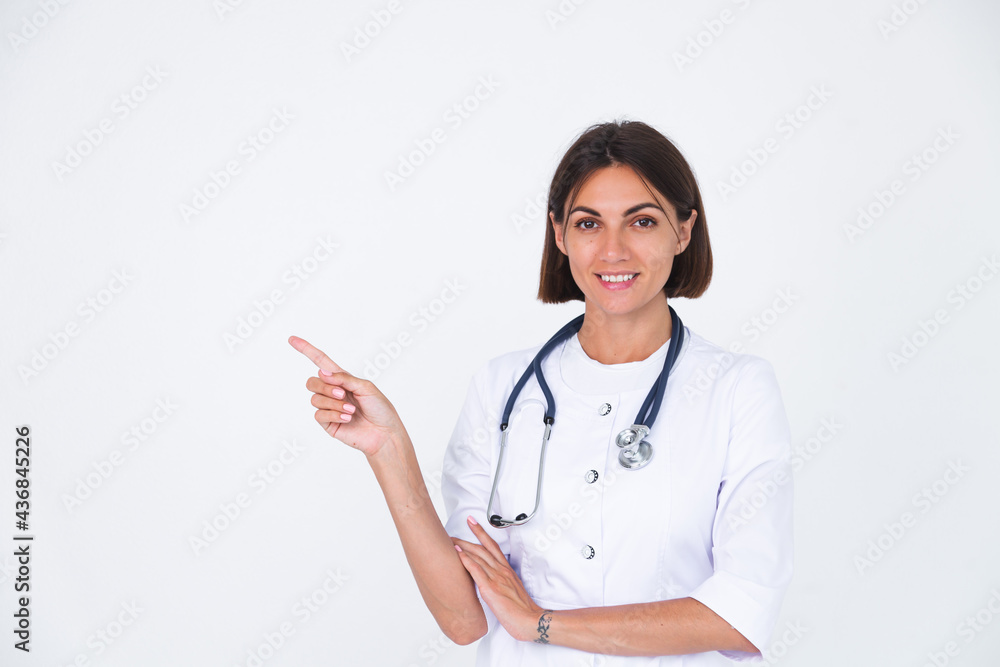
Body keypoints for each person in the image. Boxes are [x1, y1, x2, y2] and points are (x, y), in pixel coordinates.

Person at [289, 119, 793, 665]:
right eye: (588, 223)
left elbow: (738, 617)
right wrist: (390, 453)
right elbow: (464, 620)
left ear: (684, 231)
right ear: (559, 234)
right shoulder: (502, 388)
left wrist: (541, 624)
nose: (613, 249)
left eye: (642, 221)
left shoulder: (737, 389)